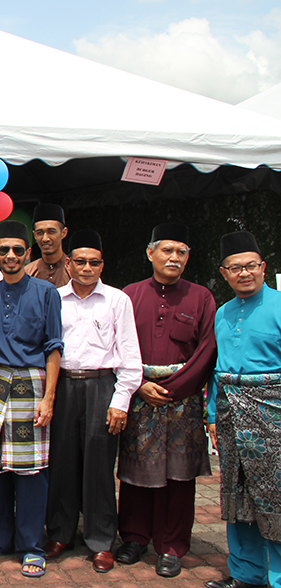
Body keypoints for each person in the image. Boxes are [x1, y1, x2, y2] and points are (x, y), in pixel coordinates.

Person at [117, 223, 217, 577]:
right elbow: (115, 346)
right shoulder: (129, 295)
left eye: (181, 252)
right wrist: (140, 384)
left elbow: (207, 350)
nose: (174, 257)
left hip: (182, 401)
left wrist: (173, 390)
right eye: (167, 250)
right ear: (150, 253)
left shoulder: (201, 297)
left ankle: (172, 546)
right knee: (135, 471)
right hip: (139, 395)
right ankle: (134, 537)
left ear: (188, 257)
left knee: (179, 475)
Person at [0, 220, 63, 579]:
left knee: (31, 472)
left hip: (31, 385)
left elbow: (54, 348)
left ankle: (31, 546)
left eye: (17, 250)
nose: (10, 255)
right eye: (4, 249)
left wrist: (49, 398)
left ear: (27, 253)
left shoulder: (46, 293)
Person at [43, 230, 142, 573]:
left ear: (102, 265)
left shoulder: (117, 300)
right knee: (61, 463)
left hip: (102, 386)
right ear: (69, 263)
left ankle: (101, 541)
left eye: (94, 262)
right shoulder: (53, 298)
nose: (87, 268)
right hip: (63, 386)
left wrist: (121, 400)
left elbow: (130, 355)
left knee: (100, 467)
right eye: (81, 262)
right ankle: (60, 533)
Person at [204, 231, 281, 588]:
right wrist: (212, 415)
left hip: (273, 414)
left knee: (275, 496)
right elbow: (217, 369)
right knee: (237, 494)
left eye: (250, 266)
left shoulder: (279, 305)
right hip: (230, 413)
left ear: (263, 267)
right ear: (224, 273)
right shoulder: (222, 313)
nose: (244, 273)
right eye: (235, 268)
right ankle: (246, 574)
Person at [24, 204, 70, 288]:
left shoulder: (74, 271)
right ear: (35, 235)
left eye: (51, 232)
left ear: (63, 233)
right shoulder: (28, 273)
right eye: (40, 233)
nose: (45, 239)